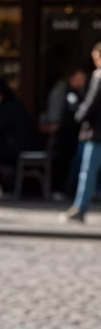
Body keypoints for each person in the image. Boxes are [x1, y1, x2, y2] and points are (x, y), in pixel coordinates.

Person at [60, 42, 101, 223]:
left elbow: (91, 104)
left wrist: (78, 114)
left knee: (87, 172)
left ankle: (80, 208)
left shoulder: (99, 76)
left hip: (97, 133)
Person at [45, 66, 88, 197]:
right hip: (63, 132)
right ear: (72, 78)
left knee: (73, 162)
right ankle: (58, 189)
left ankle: (69, 189)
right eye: (79, 78)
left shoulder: (80, 91)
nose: (82, 81)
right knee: (61, 160)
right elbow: (56, 111)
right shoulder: (62, 90)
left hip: (76, 133)